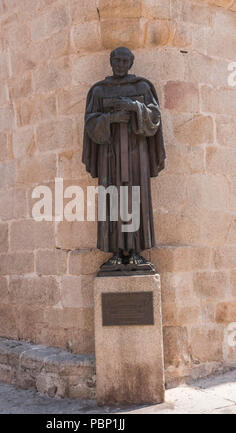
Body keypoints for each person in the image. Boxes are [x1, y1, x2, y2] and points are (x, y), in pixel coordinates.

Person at [82, 47, 166, 269]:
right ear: (110, 62)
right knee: (112, 199)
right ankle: (117, 251)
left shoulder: (142, 87)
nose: (120, 64)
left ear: (131, 63)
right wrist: (110, 119)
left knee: (136, 198)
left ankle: (136, 250)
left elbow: (155, 117)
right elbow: (90, 122)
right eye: (116, 60)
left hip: (137, 154)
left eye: (124, 60)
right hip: (109, 156)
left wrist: (134, 107)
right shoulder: (99, 91)